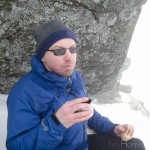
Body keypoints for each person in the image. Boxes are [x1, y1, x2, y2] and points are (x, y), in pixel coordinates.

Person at [6, 19, 146, 150]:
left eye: (73, 49)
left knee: (134, 145)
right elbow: (16, 145)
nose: (69, 57)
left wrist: (111, 128)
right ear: (42, 56)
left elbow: (85, 111)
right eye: (59, 51)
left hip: (81, 144)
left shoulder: (73, 76)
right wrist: (56, 122)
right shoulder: (23, 92)